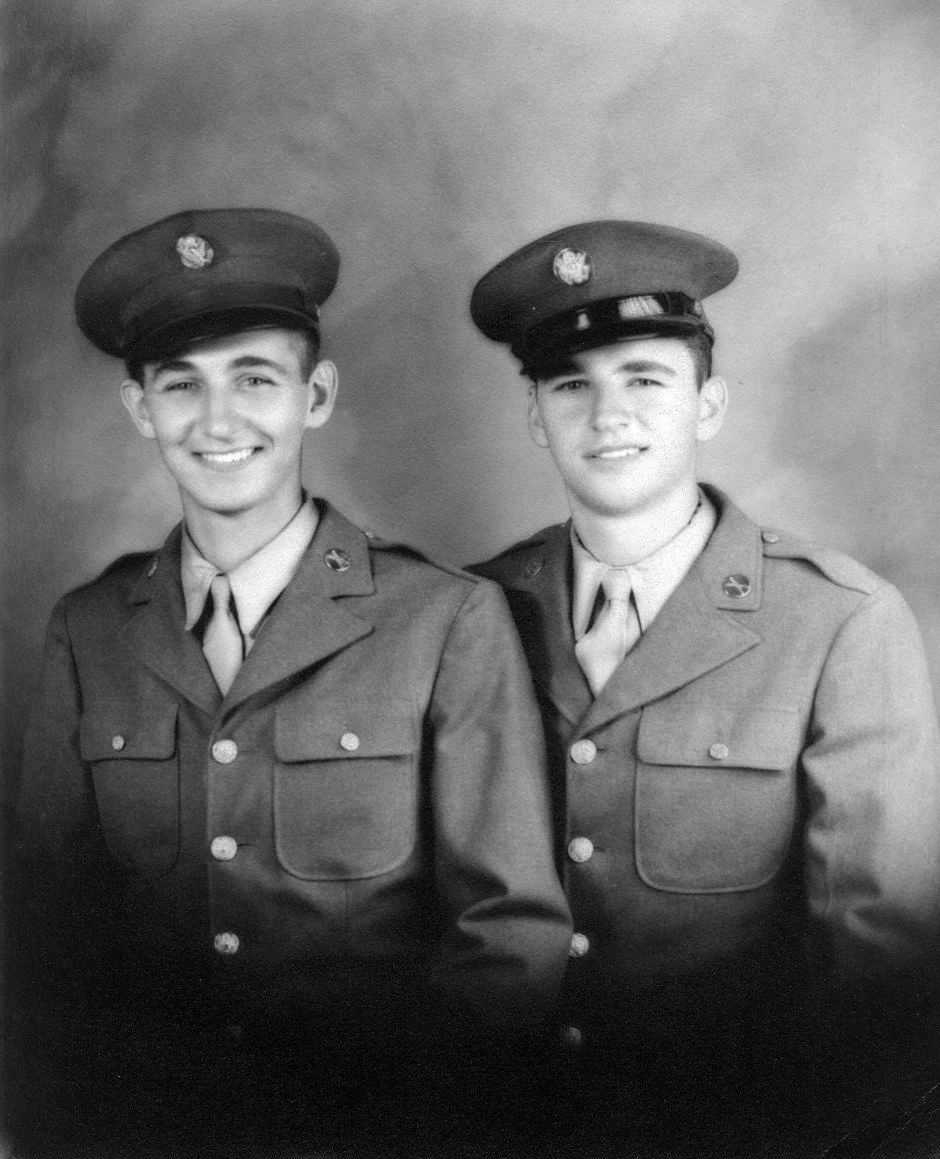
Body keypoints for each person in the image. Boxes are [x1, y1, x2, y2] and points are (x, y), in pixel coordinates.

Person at [10, 207, 571, 1155]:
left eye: (255, 379)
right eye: (182, 385)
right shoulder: (92, 629)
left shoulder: (443, 619)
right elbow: (47, 925)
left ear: (316, 395)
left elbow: (510, 929)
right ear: (140, 408)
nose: (218, 421)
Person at [469, 220, 939, 1150]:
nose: (609, 417)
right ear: (535, 417)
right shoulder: (467, 611)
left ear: (708, 404)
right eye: (572, 387)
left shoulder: (838, 622)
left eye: (645, 379)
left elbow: (880, 971)